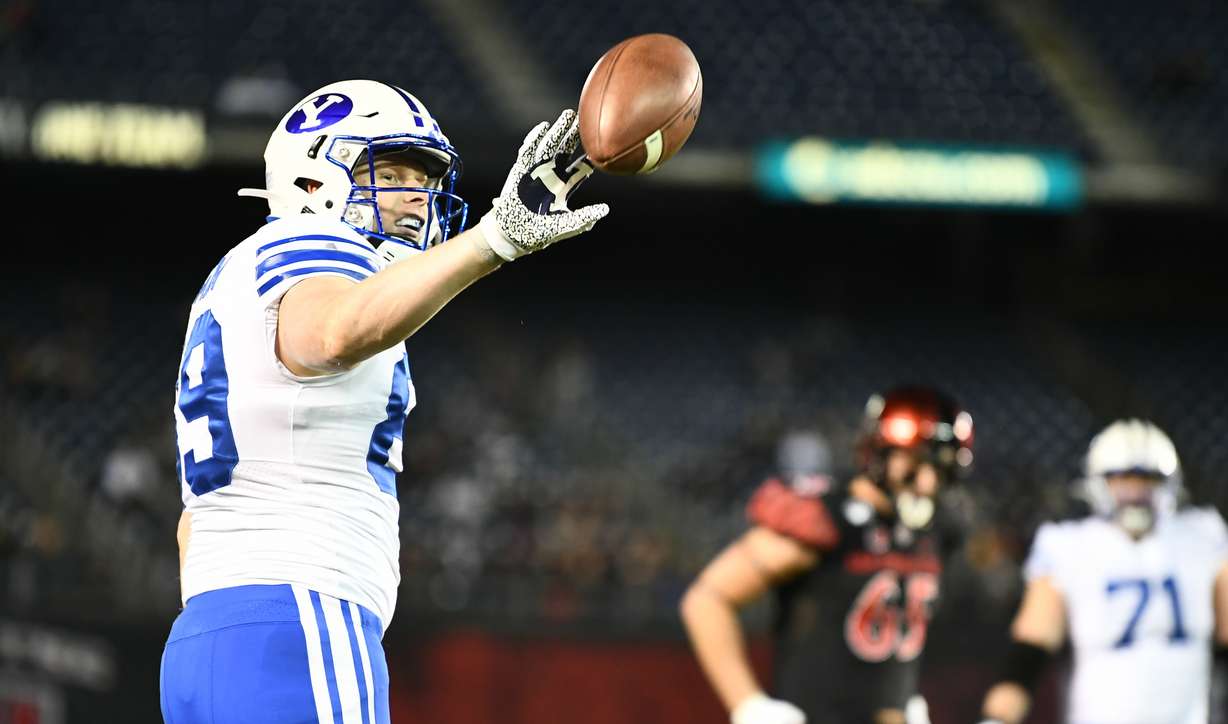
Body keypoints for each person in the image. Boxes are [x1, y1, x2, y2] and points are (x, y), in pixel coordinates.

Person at [161, 79, 608, 723]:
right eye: (390, 173)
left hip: (210, 636)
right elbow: (337, 332)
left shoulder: (231, 279)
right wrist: (494, 241)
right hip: (301, 619)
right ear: (313, 182)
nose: (415, 199)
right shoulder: (309, 242)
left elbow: (193, 525)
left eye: (423, 181)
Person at [681, 386, 974, 724]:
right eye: (917, 463)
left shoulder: (938, 530)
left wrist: (901, 698)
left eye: (939, 469)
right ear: (880, 452)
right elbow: (706, 600)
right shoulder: (824, 518)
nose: (927, 482)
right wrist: (749, 704)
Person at [979, 419, 1228, 724]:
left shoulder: (1201, 537)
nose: (1136, 493)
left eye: (1147, 480)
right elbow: (1031, 647)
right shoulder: (1070, 546)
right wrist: (998, 718)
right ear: (1098, 484)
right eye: (1123, 480)